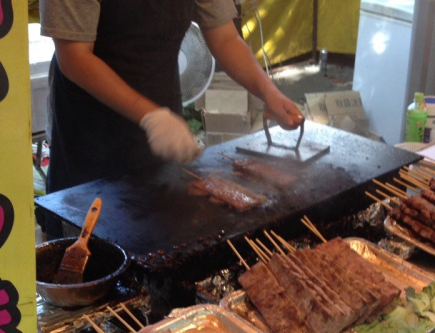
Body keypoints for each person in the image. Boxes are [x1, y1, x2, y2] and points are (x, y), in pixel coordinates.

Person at [39, 0, 303, 194]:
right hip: (91, 139)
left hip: (163, 123)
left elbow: (224, 38)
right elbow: (74, 58)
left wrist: (269, 92)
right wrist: (150, 116)